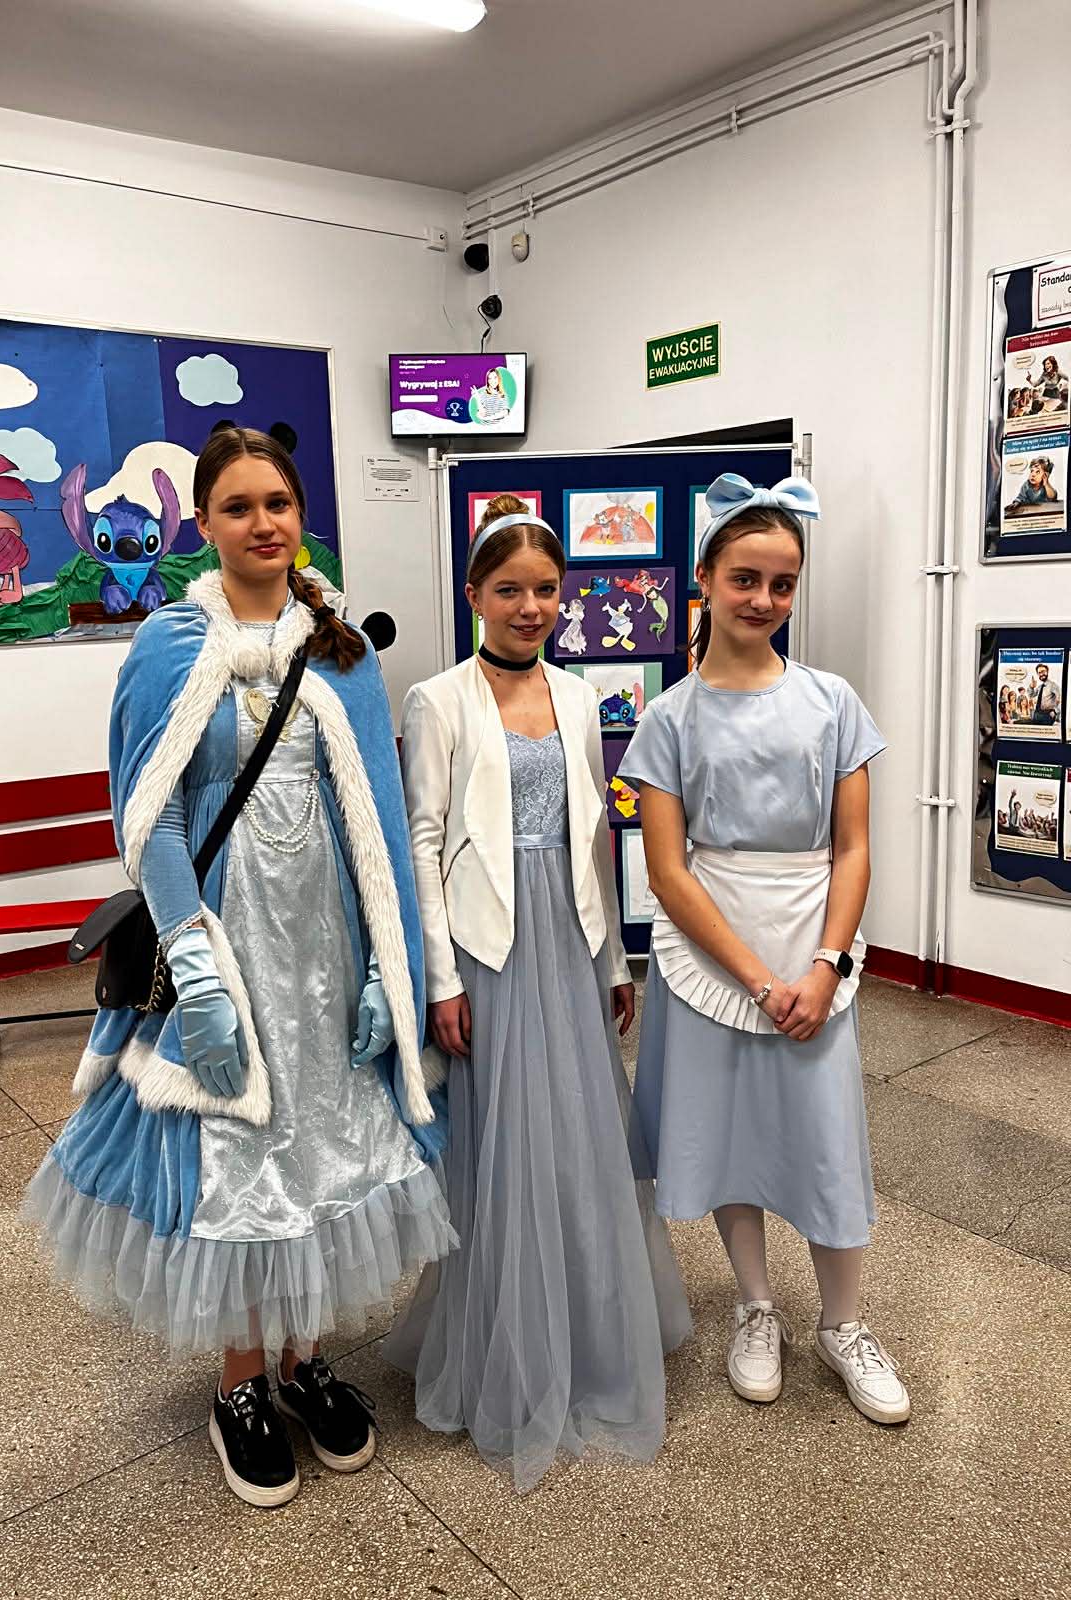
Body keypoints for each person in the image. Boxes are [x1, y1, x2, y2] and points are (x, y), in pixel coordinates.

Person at [24, 425, 455, 1508]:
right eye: (239, 507)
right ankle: (240, 1384)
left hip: (328, 951)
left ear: (300, 515)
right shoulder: (169, 646)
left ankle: (305, 1362)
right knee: (242, 1157)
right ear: (206, 526)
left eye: (279, 504)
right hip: (230, 946)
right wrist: (195, 963)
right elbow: (151, 817)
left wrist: (386, 967)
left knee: (323, 1150)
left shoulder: (343, 649)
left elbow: (375, 822)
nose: (264, 523)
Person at [385, 494, 691, 1490]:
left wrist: (615, 962)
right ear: (474, 594)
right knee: (503, 1143)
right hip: (489, 945)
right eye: (510, 589)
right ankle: (504, 1346)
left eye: (546, 590)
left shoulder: (578, 695)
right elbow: (422, 843)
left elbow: (593, 832)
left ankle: (588, 1332)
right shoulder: (438, 699)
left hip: (568, 937)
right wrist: (440, 979)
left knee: (578, 1137)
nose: (530, 607)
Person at [620, 472, 911, 1427]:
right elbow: (669, 870)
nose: (763, 599)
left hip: (813, 937)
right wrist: (754, 979)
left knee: (826, 1139)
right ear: (703, 578)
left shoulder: (833, 703)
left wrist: (825, 968)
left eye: (782, 583)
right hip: (712, 948)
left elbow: (853, 849)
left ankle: (843, 1322)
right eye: (744, 578)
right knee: (725, 1133)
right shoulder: (669, 718)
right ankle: (756, 1305)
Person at [1032, 661, 1061, 727]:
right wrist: (1031, 687)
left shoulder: (1053, 685)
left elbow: (1061, 699)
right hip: (1037, 714)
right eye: (1039, 672)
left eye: (1043, 671)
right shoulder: (1039, 687)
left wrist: (1055, 711)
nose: (1041, 674)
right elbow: (1032, 695)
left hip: (1047, 714)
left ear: (1047, 671)